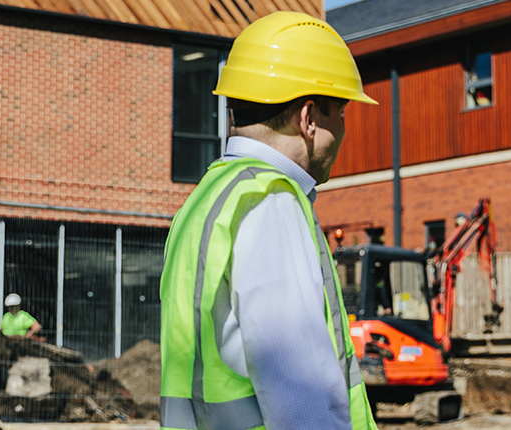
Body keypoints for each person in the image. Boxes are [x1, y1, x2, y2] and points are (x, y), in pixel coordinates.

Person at [158, 11, 380, 430]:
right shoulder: (270, 201)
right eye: (342, 114)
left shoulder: (207, 198)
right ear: (309, 118)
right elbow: (301, 396)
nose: (344, 132)